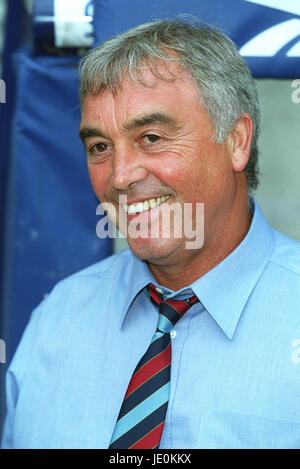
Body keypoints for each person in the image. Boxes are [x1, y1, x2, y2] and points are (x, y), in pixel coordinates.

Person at [2, 18, 300, 449]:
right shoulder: (59, 318)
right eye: (100, 147)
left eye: (152, 137)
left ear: (236, 141)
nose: (120, 177)